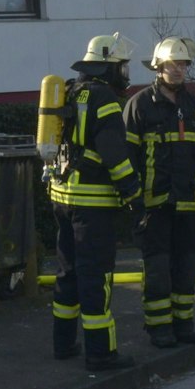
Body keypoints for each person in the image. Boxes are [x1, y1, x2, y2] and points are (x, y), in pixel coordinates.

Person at [123, 37, 195, 349]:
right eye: (173, 64)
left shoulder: (193, 107)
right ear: (159, 67)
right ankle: (159, 329)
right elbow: (127, 157)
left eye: (183, 64)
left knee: (186, 268)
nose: (179, 69)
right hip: (154, 206)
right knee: (158, 271)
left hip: (189, 204)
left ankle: (184, 325)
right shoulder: (140, 104)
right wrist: (132, 198)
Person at [49, 33, 140, 371]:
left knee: (67, 273)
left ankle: (63, 344)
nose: (125, 74)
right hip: (93, 204)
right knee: (95, 278)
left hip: (62, 197)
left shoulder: (71, 90)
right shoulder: (105, 99)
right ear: (107, 66)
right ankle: (101, 353)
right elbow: (114, 155)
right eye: (122, 67)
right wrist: (133, 194)